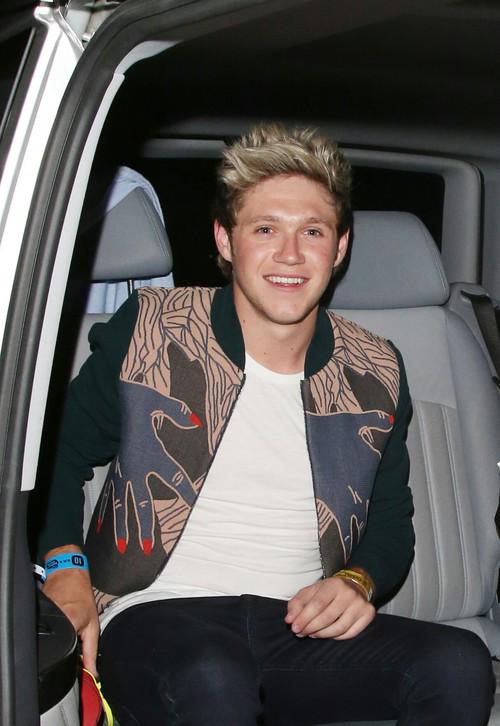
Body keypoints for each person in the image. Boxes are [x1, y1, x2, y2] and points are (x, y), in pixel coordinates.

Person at [39, 124, 494, 725]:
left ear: (340, 247)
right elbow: (54, 456)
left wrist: (356, 581)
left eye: (313, 231)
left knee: (461, 661)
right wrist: (64, 565)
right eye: (265, 229)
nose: (290, 254)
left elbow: (391, 520)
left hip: (295, 629)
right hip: (156, 617)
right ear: (225, 240)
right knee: (213, 671)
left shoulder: (376, 368)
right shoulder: (153, 329)